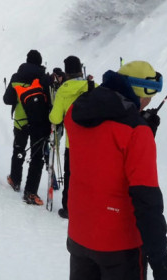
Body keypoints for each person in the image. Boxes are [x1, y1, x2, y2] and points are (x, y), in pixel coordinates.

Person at [64, 61, 167, 280]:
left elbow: (100, 151)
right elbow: (147, 203)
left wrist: (139, 125)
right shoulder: (136, 133)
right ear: (139, 92)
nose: (147, 103)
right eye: (147, 98)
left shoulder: (76, 112)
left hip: (79, 236)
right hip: (120, 247)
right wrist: (161, 266)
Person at [3, 50, 52, 206]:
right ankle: (30, 192)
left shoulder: (17, 77)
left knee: (19, 150)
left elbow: (7, 99)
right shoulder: (44, 78)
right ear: (39, 62)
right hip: (39, 123)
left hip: (21, 121)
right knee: (37, 157)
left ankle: (15, 180)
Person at [48, 56, 93, 219]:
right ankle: (89, 207)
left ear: (66, 71)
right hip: (94, 141)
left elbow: (56, 118)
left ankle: (68, 208)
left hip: (72, 142)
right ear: (80, 69)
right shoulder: (91, 86)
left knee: (71, 175)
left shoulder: (63, 90)